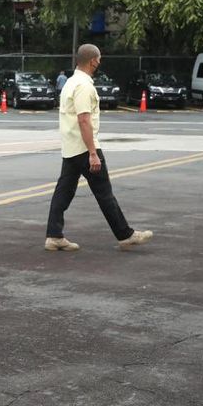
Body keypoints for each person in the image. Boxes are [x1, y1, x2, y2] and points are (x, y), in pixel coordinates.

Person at [45, 44, 153, 252]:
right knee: (104, 193)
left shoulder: (70, 82)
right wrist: (93, 153)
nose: (100, 62)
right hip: (85, 148)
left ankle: (54, 235)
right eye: (99, 59)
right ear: (93, 61)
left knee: (64, 192)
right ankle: (125, 235)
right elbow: (84, 119)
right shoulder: (84, 86)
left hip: (71, 147)